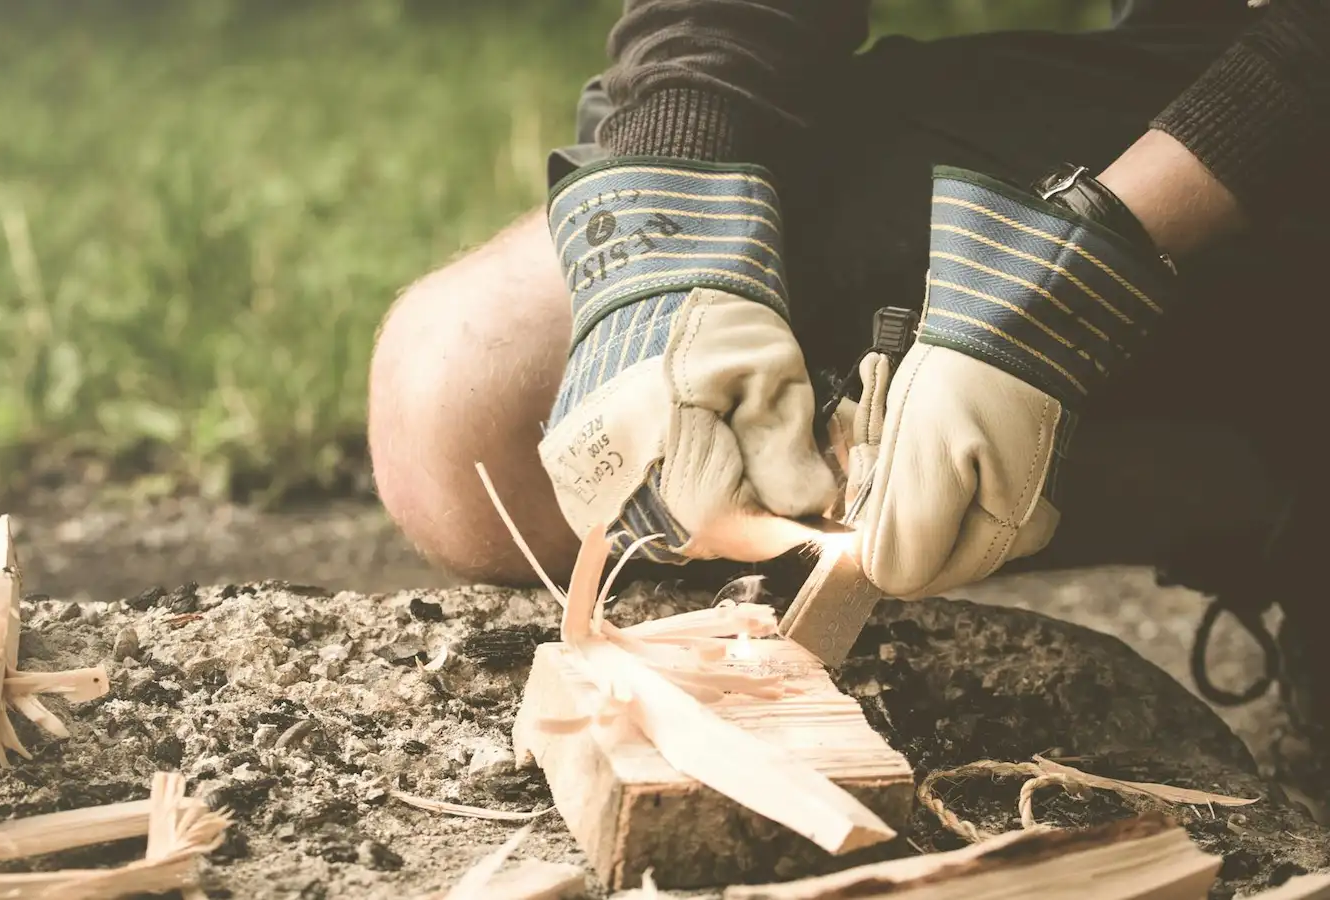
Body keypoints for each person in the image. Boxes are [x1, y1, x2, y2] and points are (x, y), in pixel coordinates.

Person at [369, 0, 1330, 787]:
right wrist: (670, 230)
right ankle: (1254, 494)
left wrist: (1090, 263)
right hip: (1200, 60)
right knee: (465, 397)